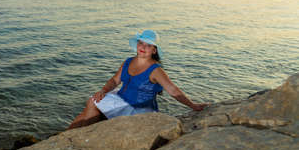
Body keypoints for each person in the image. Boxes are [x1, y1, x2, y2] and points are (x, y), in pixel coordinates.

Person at [68, 30, 208, 129]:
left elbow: (173, 90)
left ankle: (76, 136)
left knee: (93, 103)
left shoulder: (155, 70)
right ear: (137, 45)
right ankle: (67, 135)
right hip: (122, 99)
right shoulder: (128, 61)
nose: (143, 47)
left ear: (154, 50)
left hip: (138, 109)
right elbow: (115, 81)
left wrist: (193, 106)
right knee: (92, 102)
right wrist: (103, 90)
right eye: (141, 43)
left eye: (148, 45)